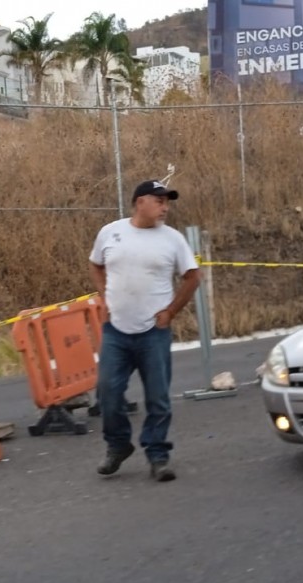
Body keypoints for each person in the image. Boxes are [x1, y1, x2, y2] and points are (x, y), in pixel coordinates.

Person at [89, 179, 200, 482]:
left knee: (158, 398)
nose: (165, 208)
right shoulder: (110, 232)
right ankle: (118, 446)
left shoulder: (173, 239)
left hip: (153, 332)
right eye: (160, 201)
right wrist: (104, 297)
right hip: (116, 331)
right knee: (109, 394)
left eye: (167, 202)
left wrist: (171, 311)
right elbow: (96, 265)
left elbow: (192, 277)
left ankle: (158, 455)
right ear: (140, 202)